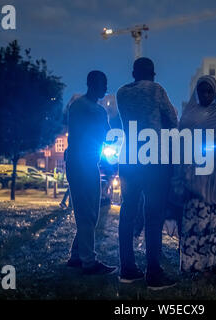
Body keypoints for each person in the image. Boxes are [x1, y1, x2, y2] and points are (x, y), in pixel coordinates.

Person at [117, 57, 178, 289]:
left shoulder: (122, 92)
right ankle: (154, 273)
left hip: (128, 157)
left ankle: (127, 269)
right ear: (153, 74)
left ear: (133, 73)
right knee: (153, 215)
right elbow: (172, 120)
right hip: (153, 157)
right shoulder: (156, 89)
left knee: (128, 211)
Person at [176, 75, 216, 284]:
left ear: (215, 92)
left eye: (210, 91)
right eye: (202, 91)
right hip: (194, 179)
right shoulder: (189, 113)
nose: (206, 95)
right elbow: (182, 139)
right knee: (197, 223)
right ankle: (200, 266)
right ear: (197, 92)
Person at [65, 70, 116, 275]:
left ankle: (77, 255)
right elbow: (105, 134)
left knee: (88, 212)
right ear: (91, 83)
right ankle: (88, 261)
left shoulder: (79, 106)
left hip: (80, 162)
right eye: (102, 83)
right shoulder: (92, 109)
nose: (105, 88)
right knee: (88, 213)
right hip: (83, 164)